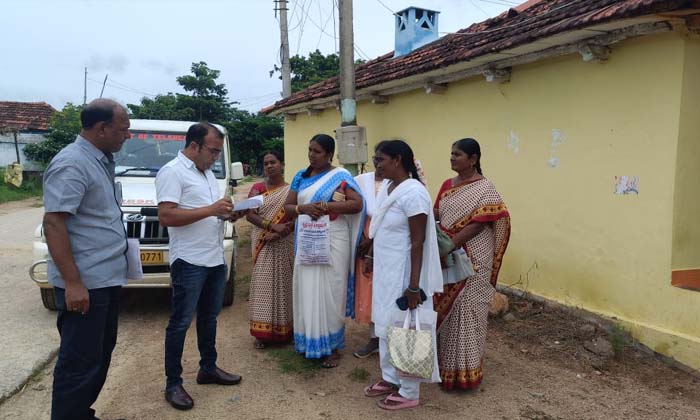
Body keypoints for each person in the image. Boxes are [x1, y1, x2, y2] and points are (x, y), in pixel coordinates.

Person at [43, 99, 131, 420]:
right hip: (85, 284)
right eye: (123, 129)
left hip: (104, 280)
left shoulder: (100, 160)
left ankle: (81, 413)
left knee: (98, 355)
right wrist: (73, 283)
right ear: (101, 128)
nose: (128, 135)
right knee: (78, 363)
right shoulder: (72, 163)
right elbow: (54, 223)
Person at [156, 122, 247, 410]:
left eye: (219, 152)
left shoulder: (207, 173)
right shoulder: (172, 172)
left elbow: (207, 213)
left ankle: (208, 368)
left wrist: (226, 214)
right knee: (180, 323)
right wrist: (211, 210)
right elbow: (167, 216)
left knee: (209, 318)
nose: (216, 157)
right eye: (213, 151)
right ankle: (173, 383)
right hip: (189, 261)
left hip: (213, 258)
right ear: (194, 146)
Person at [362, 140, 443, 410]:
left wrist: (413, 286)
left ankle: (409, 391)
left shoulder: (414, 193)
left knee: (406, 328)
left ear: (397, 160)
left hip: (406, 272)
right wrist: (372, 256)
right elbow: (383, 226)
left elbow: (417, 241)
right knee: (386, 323)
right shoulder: (389, 187)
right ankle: (390, 377)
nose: (377, 164)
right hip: (387, 269)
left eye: (381, 159)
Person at [433, 138, 510, 391]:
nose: (452, 158)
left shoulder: (486, 188)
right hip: (447, 256)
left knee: (468, 310)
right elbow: (436, 214)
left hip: (473, 257)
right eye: (451, 153)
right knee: (449, 311)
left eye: (458, 154)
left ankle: (467, 373)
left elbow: (479, 223)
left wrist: (450, 244)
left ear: (473, 159)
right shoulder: (447, 185)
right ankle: (446, 371)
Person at [283, 134, 364, 368]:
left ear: (329, 154)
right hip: (307, 238)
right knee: (306, 288)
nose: (311, 155)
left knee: (331, 291)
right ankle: (309, 341)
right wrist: (303, 208)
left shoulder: (340, 176)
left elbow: (356, 204)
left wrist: (325, 206)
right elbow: (288, 207)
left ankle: (332, 347)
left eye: (317, 151)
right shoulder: (301, 176)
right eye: (309, 150)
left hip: (333, 239)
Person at [245, 150, 294, 349]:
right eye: (265, 163)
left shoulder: (291, 190)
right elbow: (249, 214)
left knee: (284, 284)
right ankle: (262, 333)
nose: (269, 166)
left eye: (273, 162)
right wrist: (271, 227)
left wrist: (281, 232)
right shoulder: (257, 188)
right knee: (263, 285)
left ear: (281, 164)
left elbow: (294, 216)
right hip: (263, 241)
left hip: (284, 242)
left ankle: (286, 331)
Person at [352, 142, 388, 358]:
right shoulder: (360, 181)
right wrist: (363, 239)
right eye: (375, 157)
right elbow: (352, 207)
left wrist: (373, 241)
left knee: (386, 288)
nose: (377, 162)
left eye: (382, 158)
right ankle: (374, 337)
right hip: (363, 237)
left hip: (386, 241)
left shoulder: (399, 184)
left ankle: (387, 338)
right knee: (369, 288)